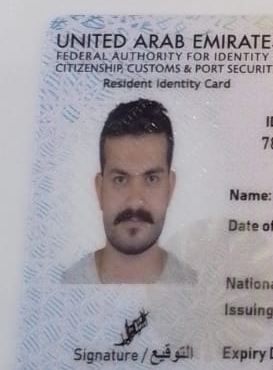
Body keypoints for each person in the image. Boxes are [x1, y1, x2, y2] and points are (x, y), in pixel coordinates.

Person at [62, 98, 197, 284]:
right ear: (99, 189)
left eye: (151, 179)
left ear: (170, 188)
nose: (135, 201)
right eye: (120, 179)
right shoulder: (64, 285)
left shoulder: (197, 289)